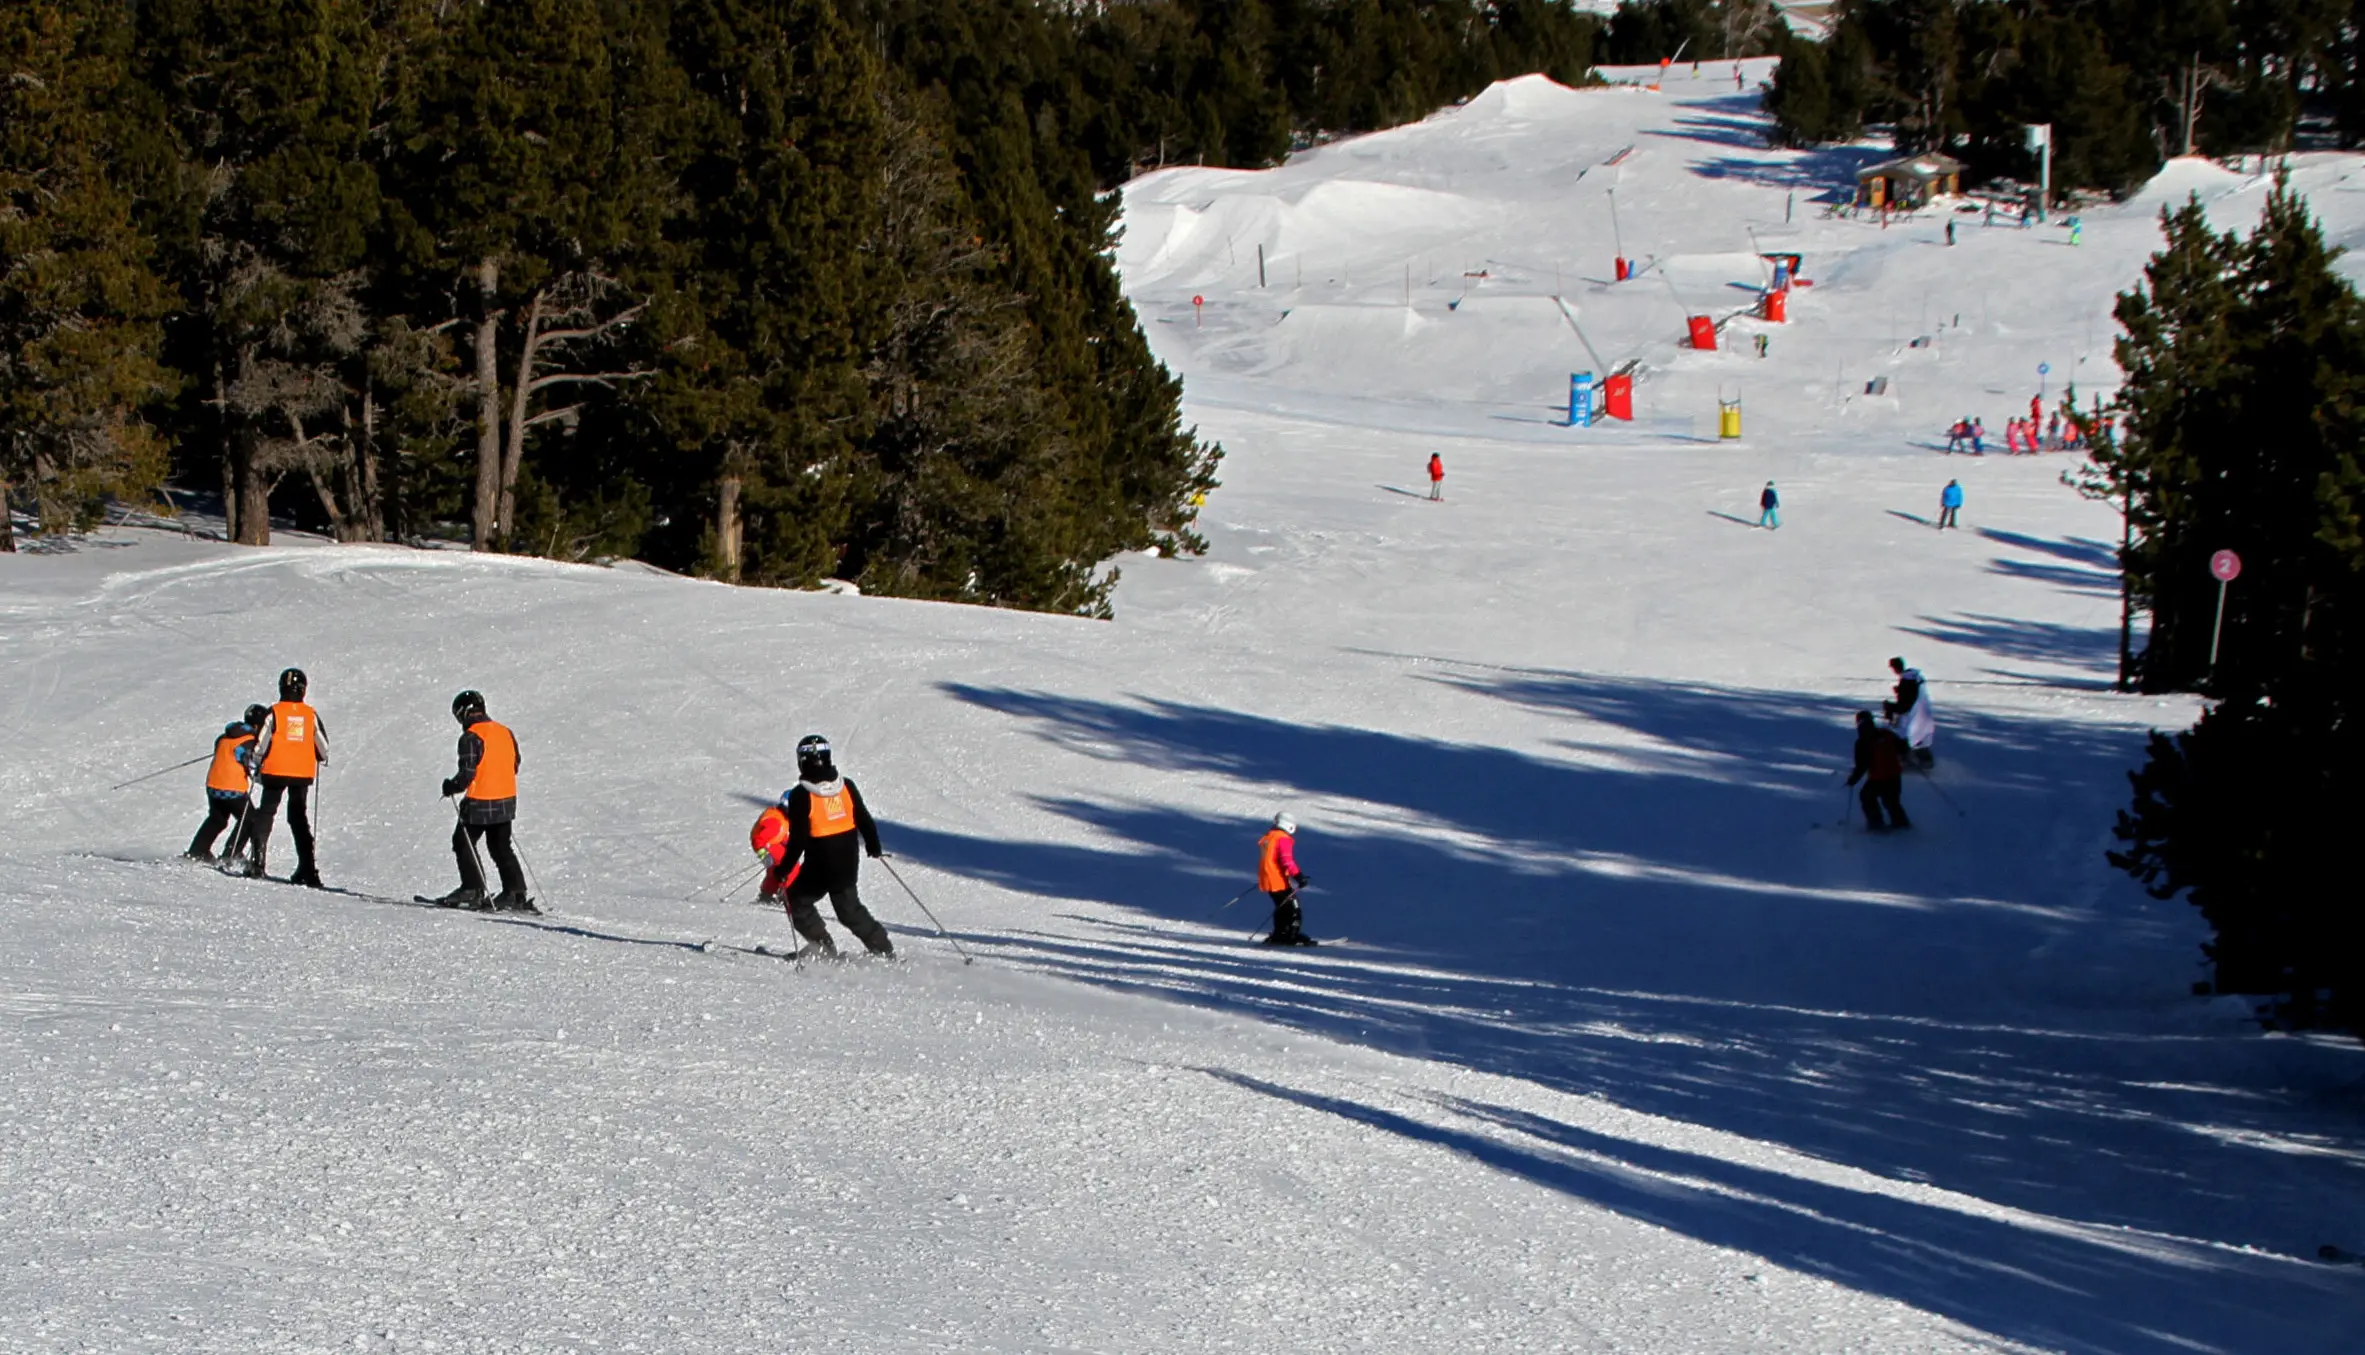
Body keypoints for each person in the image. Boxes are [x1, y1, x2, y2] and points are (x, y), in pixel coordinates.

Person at [768, 735, 894, 957]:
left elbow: (798, 840)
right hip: (847, 862)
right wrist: (873, 846)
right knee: (849, 909)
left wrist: (782, 871)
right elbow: (864, 819)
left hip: (819, 865)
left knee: (798, 901)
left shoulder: (801, 794)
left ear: (802, 761)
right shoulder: (846, 786)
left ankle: (823, 948)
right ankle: (883, 951)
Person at [432, 690, 532, 911]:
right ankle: (515, 892)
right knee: (500, 846)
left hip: (480, 800)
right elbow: (515, 763)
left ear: (464, 713)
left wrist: (452, 786)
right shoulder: (505, 732)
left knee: (462, 841)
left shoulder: (471, 737)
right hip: (506, 799)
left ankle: (472, 888)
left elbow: (467, 774)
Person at [232, 668, 326, 886]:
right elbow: (323, 749)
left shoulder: (274, 712)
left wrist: (256, 759)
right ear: (303, 690)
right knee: (298, 818)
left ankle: (258, 863)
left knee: (266, 813)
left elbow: (261, 745)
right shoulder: (310, 715)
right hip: (301, 773)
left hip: (275, 770)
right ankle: (308, 869)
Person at [185, 704, 266, 863]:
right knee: (250, 819)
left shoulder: (225, 737)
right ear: (258, 726)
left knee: (217, 819)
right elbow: (252, 765)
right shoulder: (249, 742)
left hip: (213, 786)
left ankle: (198, 850)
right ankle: (232, 853)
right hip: (232, 789)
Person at [1846, 711, 1912, 831]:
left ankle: (1876, 824)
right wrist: (1905, 748)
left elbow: (1862, 765)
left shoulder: (1862, 742)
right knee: (1891, 802)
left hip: (1878, 778)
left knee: (1866, 796)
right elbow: (1902, 747)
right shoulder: (1885, 734)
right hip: (1894, 775)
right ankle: (1901, 825)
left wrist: (1853, 779)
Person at [1257, 813, 1315, 946]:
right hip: (1277, 880)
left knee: (1282, 906)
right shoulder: (1282, 838)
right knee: (1293, 906)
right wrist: (1298, 876)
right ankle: (1291, 934)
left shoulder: (1269, 837)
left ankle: (1280, 933)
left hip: (1268, 878)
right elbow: (1286, 860)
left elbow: (1268, 860)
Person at [1883, 656, 1938, 767]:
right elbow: (1911, 695)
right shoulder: (1915, 678)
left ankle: (1905, 758)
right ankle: (1924, 758)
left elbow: (1905, 704)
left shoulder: (1907, 681)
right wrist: (1899, 691)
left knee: (1903, 734)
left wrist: (1890, 707)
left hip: (1911, 714)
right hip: (1922, 712)